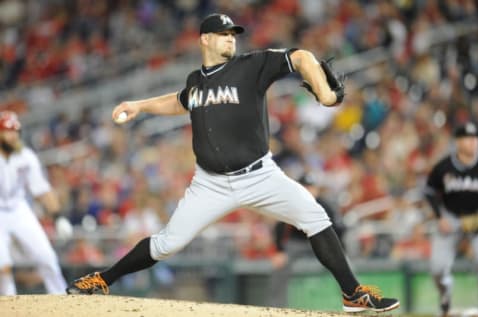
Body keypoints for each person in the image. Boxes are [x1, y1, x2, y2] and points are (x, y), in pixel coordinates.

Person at [66, 13, 399, 313]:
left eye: (233, 34)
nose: (230, 38)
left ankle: (352, 293)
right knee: (168, 244)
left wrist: (325, 93)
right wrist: (139, 105)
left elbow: (301, 57)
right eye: (223, 33)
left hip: (260, 175)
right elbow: (180, 101)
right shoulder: (196, 81)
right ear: (205, 39)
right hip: (209, 184)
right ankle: (102, 280)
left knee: (315, 217)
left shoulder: (252, 66)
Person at [0, 110, 69, 295]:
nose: (12, 135)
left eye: (15, 131)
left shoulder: (26, 156)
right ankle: (7, 306)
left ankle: (63, 298)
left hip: (19, 209)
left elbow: (42, 189)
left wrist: (58, 217)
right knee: (2, 265)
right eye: (7, 131)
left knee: (46, 256)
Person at [424, 121, 478, 317]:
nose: (472, 142)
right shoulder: (444, 166)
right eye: (467, 138)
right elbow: (429, 191)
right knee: (438, 268)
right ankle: (445, 297)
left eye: (475, 138)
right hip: (451, 218)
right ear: (457, 142)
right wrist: (439, 217)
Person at [267, 173, 346, 307]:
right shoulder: (292, 203)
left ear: (316, 189)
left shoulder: (325, 205)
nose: (309, 190)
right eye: (305, 187)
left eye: (311, 187)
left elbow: (338, 230)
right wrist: (279, 251)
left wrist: (340, 251)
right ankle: (277, 308)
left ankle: (354, 300)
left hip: (320, 243)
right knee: (280, 265)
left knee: (344, 264)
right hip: (297, 244)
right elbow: (280, 227)